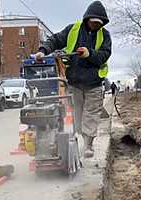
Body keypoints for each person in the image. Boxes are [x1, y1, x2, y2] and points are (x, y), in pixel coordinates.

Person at [34, 1, 112, 158]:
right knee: (77, 113)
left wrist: (89, 53)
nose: (95, 25)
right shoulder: (73, 30)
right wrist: (43, 51)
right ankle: (78, 139)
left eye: (99, 23)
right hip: (75, 82)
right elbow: (55, 40)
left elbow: (105, 54)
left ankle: (88, 145)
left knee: (91, 113)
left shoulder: (105, 35)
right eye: (93, 22)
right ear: (87, 18)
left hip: (94, 82)